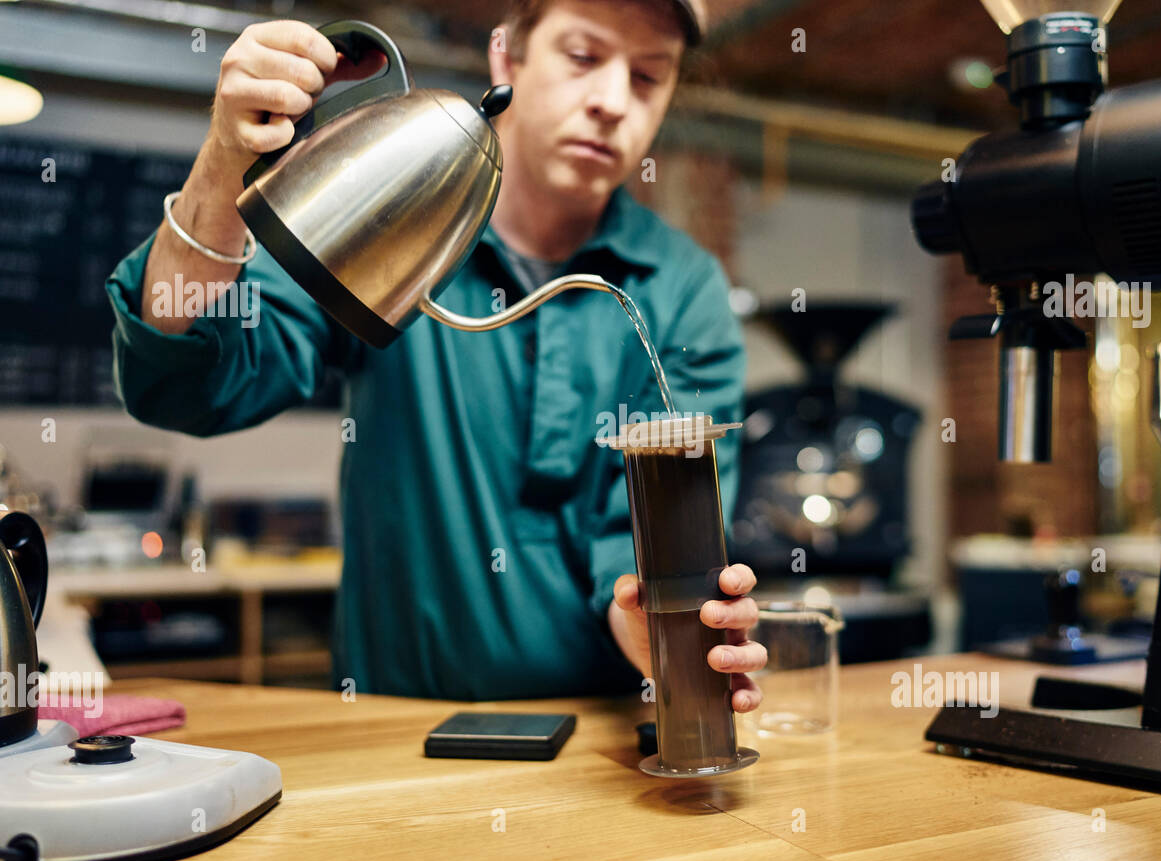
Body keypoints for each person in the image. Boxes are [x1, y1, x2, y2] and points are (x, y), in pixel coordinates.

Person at [105, 0, 767, 707]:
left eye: (647, 77)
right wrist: (221, 167)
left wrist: (652, 623)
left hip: (597, 751)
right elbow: (183, 383)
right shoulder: (392, 216)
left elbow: (649, 537)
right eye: (582, 56)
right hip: (394, 737)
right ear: (505, 57)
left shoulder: (683, 287)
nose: (611, 102)